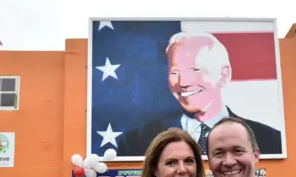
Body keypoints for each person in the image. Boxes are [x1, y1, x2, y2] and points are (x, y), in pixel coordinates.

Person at [117, 31, 282, 157]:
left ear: (223, 75)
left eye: (194, 70)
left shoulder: (269, 139)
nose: (183, 82)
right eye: (175, 72)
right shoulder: (134, 142)